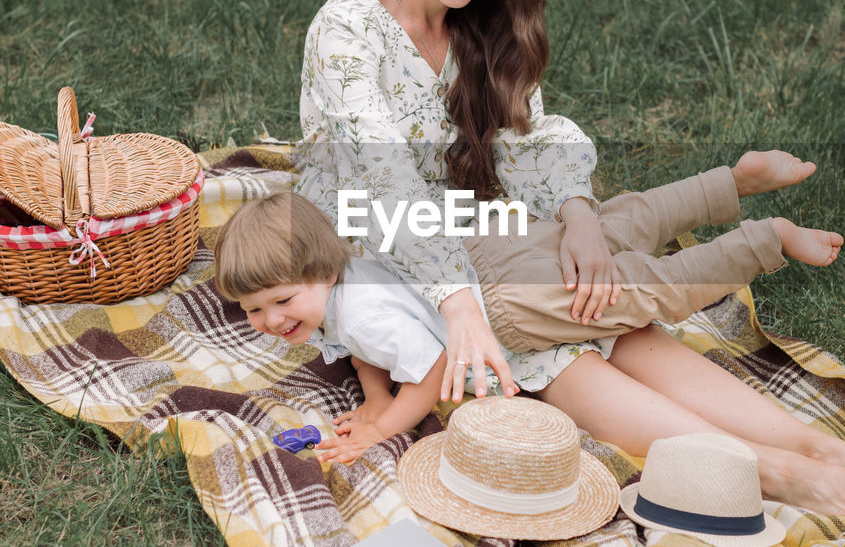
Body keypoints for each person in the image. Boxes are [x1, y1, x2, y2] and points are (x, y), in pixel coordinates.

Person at [295, 0, 845, 512]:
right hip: (373, 234)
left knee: (585, 289)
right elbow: (385, 184)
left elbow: (531, 134)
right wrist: (458, 306)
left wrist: (578, 218)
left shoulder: (479, 17)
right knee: (527, 327)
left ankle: (814, 447)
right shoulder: (345, 31)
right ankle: (769, 471)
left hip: (466, 214)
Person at [214, 188, 841, 468]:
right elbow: (363, 350)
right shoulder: (345, 289)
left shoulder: (362, 313)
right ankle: (727, 188)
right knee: (623, 240)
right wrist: (375, 392)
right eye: (250, 310)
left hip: (519, 322)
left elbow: (432, 368)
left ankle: (763, 241)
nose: (268, 323)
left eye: (279, 301)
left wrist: (384, 423)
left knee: (653, 293)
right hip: (505, 262)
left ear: (321, 272)